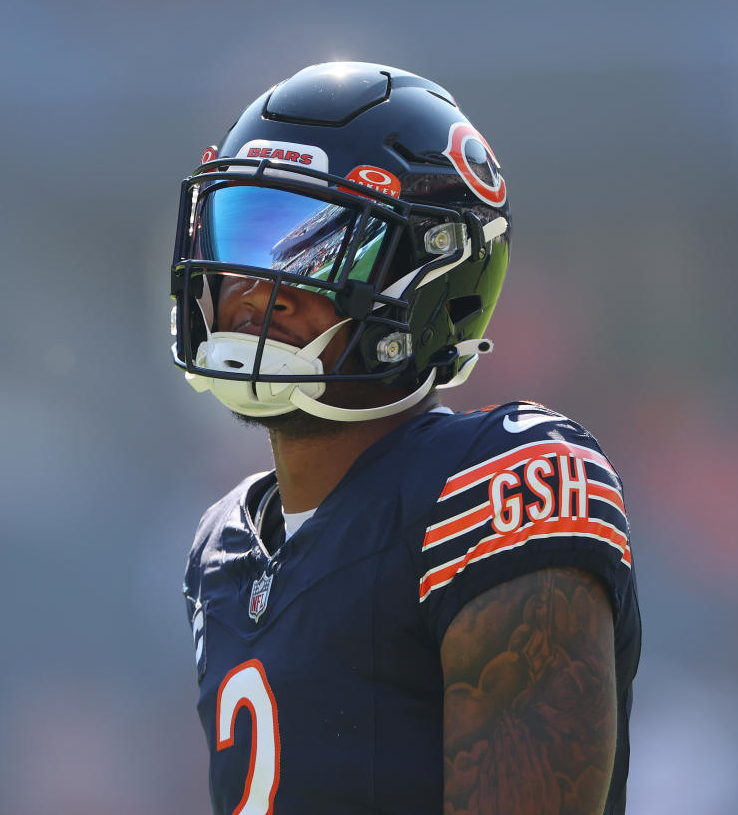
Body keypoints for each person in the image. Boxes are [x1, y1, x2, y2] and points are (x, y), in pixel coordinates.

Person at [170, 62, 641, 815]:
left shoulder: (500, 480)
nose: (255, 285)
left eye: (313, 248)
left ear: (428, 280)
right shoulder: (220, 549)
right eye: (243, 230)